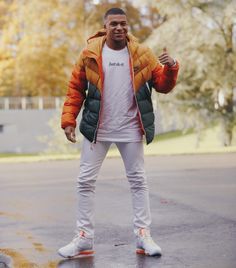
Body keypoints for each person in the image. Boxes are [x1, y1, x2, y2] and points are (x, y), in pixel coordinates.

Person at [58, 7, 179, 258]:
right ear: (106, 26)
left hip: (131, 127)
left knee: (138, 181)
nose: (119, 28)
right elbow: (75, 89)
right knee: (84, 181)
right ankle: (84, 239)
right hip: (98, 129)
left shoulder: (142, 53)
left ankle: (143, 235)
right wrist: (68, 119)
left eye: (123, 24)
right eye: (114, 24)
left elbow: (163, 86)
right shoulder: (90, 53)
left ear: (127, 26)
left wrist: (171, 67)